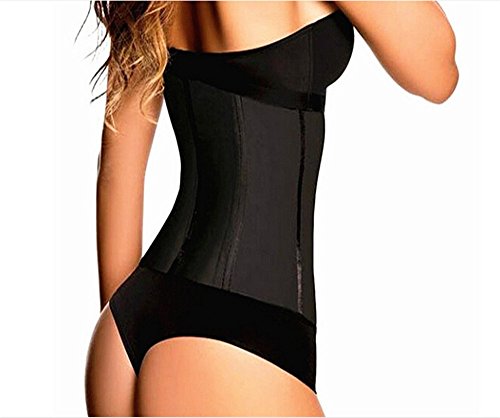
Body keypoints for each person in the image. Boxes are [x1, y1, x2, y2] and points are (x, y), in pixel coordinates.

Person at [84, 1, 459, 416]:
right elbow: (438, 72)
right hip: (232, 347)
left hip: (125, 333)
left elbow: (118, 174)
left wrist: (135, 329)